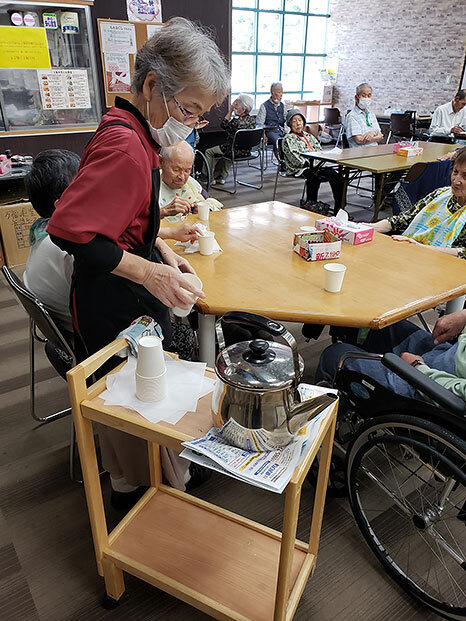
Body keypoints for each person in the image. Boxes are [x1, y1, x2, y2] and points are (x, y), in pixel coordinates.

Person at [47, 17, 230, 506]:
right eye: (189, 110)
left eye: (199, 117)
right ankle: (137, 500)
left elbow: (130, 221)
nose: (191, 125)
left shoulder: (132, 128)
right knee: (134, 404)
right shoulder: (128, 147)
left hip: (119, 292)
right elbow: (70, 232)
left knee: (144, 393)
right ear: (152, 85)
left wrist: (165, 251)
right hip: (110, 301)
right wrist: (150, 270)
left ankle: (160, 476)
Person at [316, 310, 466, 402]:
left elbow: (459, 393)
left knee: (335, 355)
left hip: (436, 387)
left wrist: (418, 368)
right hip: (453, 353)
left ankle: (321, 434)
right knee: (380, 326)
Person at [364, 146, 466, 259]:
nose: (456, 181)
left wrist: (419, 246)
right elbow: (403, 219)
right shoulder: (441, 194)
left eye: (465, 176)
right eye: (455, 172)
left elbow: (463, 253)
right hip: (414, 254)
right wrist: (368, 227)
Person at [24, 149, 80, 334]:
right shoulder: (69, 247)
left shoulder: (41, 229)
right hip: (83, 336)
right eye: (82, 183)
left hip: (59, 328)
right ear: (62, 203)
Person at [282, 109, 343, 214]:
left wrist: (319, 162)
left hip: (317, 165)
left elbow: (319, 150)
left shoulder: (309, 136)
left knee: (337, 177)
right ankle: (311, 205)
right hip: (300, 168)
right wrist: (309, 164)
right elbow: (294, 157)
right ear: (289, 124)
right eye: (294, 121)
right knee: (313, 176)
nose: (298, 123)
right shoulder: (288, 139)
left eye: (300, 120)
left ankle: (339, 209)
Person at [159, 140, 222, 219]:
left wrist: (205, 210)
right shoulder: (149, 185)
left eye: (187, 170)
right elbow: (140, 218)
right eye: (176, 169)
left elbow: (217, 210)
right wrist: (164, 211)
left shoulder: (191, 183)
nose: (182, 177)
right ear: (161, 162)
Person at [202, 93, 255, 185]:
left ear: (243, 109)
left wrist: (230, 111)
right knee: (230, 151)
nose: (235, 107)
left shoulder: (236, 122)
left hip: (233, 150)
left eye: (236, 106)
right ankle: (222, 176)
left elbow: (223, 124)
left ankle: (208, 177)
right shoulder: (253, 120)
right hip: (246, 151)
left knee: (209, 152)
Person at [345, 83, 384, 148]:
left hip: (374, 151)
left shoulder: (371, 114)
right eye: (363, 95)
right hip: (359, 153)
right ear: (356, 98)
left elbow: (381, 136)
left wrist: (371, 134)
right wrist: (375, 136)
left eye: (369, 96)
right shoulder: (352, 116)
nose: (366, 98)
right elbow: (359, 140)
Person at [256, 82, 287, 152]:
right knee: (278, 141)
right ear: (272, 93)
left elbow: (286, 120)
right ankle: (280, 160)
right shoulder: (264, 106)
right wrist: (263, 135)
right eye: (279, 92)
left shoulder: (282, 105)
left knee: (290, 140)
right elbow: (259, 123)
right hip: (270, 132)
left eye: (282, 92)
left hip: (282, 130)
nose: (281, 95)